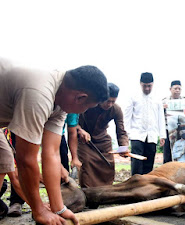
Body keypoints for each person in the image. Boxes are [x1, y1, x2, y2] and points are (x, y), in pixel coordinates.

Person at [0, 57, 108, 225]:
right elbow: (26, 159)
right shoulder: (39, 94)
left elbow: (51, 154)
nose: (83, 111)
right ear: (80, 97)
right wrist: (39, 210)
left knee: (2, 162)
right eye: (86, 107)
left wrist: (59, 208)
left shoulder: (61, 101)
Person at [77, 83, 129, 188]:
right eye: (107, 101)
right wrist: (79, 130)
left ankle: (105, 192)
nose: (109, 104)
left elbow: (121, 131)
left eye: (113, 102)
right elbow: (72, 121)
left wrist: (123, 147)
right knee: (86, 163)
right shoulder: (88, 104)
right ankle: (88, 193)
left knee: (108, 164)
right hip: (84, 140)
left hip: (102, 140)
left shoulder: (116, 110)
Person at [124, 72, 166, 175]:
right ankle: (135, 186)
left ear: (153, 84)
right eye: (144, 86)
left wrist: (162, 135)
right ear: (140, 84)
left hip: (152, 135)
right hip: (136, 135)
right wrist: (126, 135)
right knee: (136, 163)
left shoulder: (157, 99)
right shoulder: (133, 97)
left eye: (149, 86)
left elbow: (161, 117)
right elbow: (127, 117)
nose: (147, 89)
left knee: (149, 161)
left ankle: (147, 187)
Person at [162, 80, 185, 163]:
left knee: (182, 151)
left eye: (179, 89)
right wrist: (163, 108)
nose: (177, 90)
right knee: (167, 152)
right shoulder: (164, 101)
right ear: (170, 89)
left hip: (182, 129)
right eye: (175, 88)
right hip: (168, 130)